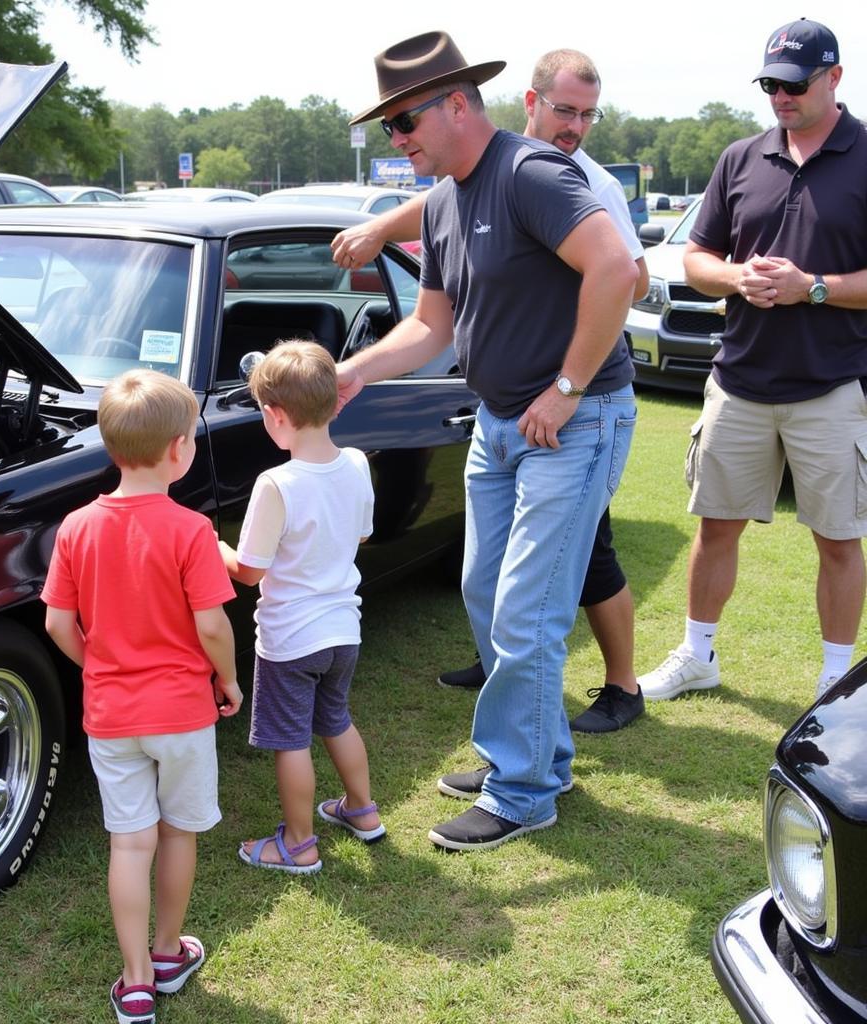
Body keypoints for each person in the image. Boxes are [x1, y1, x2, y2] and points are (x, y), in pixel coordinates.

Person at [338, 31, 638, 851]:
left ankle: (524, 791)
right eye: (389, 128)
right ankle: (536, 755)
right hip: (499, 424)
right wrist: (351, 375)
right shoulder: (440, 202)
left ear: (457, 104)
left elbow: (618, 271)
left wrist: (567, 388)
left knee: (527, 614)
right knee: (483, 595)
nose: (397, 141)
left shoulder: (529, 172)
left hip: (574, 423)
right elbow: (430, 326)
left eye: (405, 122)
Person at [638, 18, 867, 704]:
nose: (780, 96)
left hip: (831, 385)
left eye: (794, 84)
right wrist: (737, 278)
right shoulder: (740, 158)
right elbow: (699, 256)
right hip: (738, 379)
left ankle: (836, 682)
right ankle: (698, 656)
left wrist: (814, 288)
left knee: (838, 538)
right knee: (716, 529)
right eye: (770, 84)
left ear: (834, 78)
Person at [42, 369, 242, 1024]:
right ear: (181, 450)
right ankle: (165, 951)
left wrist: (95, 662)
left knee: (130, 843)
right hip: (183, 713)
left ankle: (133, 984)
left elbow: (57, 623)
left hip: (110, 715)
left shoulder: (76, 527)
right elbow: (213, 623)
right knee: (178, 832)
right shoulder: (190, 530)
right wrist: (230, 680)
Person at [219, 341, 383, 874]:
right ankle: (361, 809)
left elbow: (249, 570)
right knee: (335, 719)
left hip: (291, 640)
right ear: (336, 404)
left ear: (275, 416)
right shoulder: (357, 463)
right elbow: (360, 536)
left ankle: (298, 843)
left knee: (289, 740)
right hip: (343, 632)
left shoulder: (277, 483)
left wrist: (214, 548)